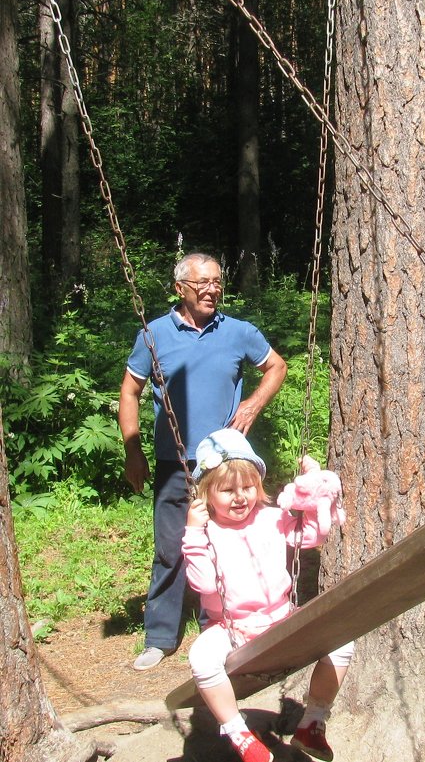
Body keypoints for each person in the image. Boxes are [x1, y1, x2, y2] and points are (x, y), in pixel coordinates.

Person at [118, 253, 287, 671]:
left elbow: (276, 366)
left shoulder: (238, 332)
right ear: (180, 288)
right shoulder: (154, 334)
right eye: (202, 283)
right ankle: (159, 637)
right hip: (174, 460)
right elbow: (129, 393)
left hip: (227, 463)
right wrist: (132, 450)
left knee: (242, 542)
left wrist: (251, 405)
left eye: (217, 281)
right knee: (171, 546)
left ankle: (245, 622)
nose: (212, 289)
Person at [184, 428, 353, 762]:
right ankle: (239, 734)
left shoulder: (273, 519)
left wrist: (314, 495)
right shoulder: (204, 532)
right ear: (204, 494)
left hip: (281, 620)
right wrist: (193, 531)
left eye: (247, 487)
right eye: (227, 490)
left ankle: (312, 722)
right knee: (201, 660)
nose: (240, 496)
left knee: (342, 640)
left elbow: (313, 537)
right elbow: (203, 584)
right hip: (232, 630)